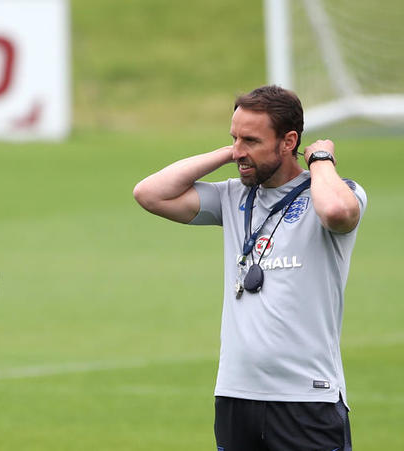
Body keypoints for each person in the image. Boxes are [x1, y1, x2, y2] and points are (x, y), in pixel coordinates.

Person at [133, 85, 366, 450]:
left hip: (307, 398)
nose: (239, 151)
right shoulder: (232, 196)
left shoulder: (335, 192)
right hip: (235, 395)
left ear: (289, 141)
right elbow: (149, 193)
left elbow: (337, 213)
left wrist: (320, 160)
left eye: (252, 140)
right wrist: (233, 152)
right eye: (234, 138)